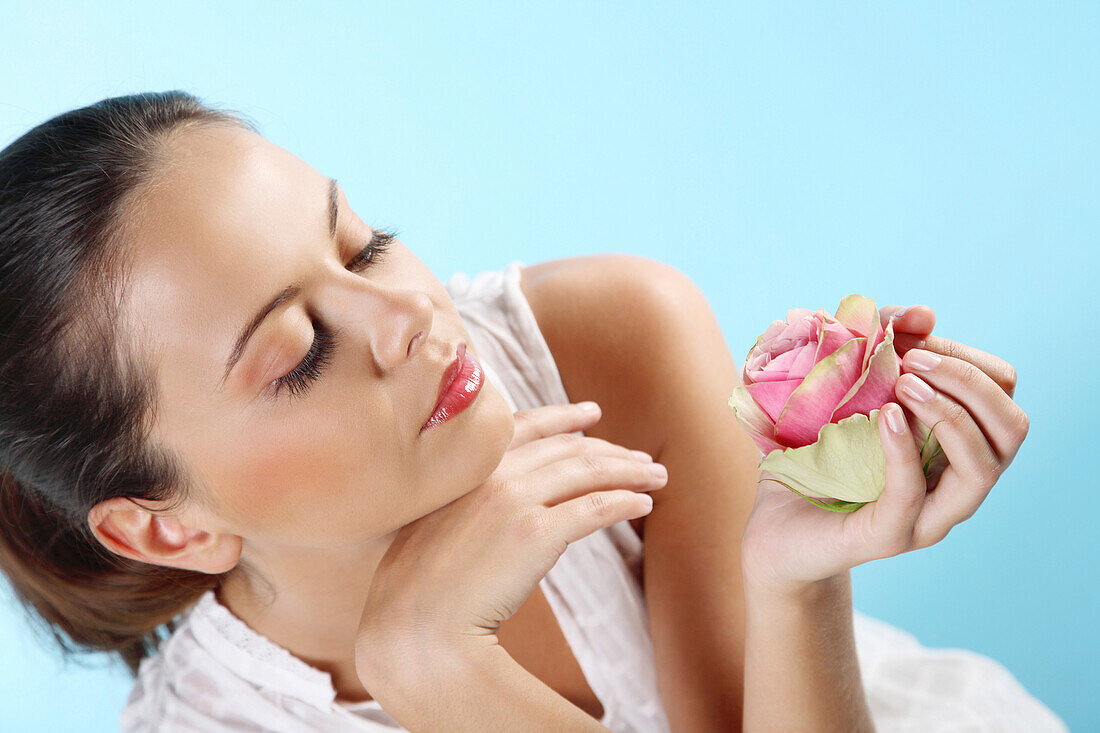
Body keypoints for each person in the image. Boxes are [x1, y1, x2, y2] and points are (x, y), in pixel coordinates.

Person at [0, 91, 1066, 732]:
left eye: (360, 240)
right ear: (168, 525)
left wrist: (792, 577)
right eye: (297, 353)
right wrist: (438, 676)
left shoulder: (602, 337)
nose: (409, 313)